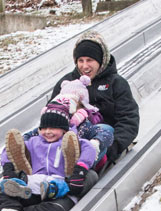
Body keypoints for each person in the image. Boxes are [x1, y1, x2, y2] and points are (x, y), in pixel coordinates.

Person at [0, 103, 97, 211]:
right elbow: (9, 150)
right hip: (33, 184)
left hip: (60, 186)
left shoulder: (71, 142)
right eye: (43, 128)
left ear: (64, 129)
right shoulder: (33, 142)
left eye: (53, 128)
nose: (47, 132)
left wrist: (80, 168)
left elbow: (89, 148)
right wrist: (8, 168)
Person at [51, 30, 139, 165]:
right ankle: (19, 173)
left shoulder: (116, 83)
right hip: (70, 142)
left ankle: (72, 174)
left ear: (101, 60)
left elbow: (128, 119)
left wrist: (113, 147)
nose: (85, 66)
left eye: (90, 60)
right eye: (81, 60)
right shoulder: (67, 83)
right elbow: (51, 114)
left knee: (90, 157)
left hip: (102, 144)